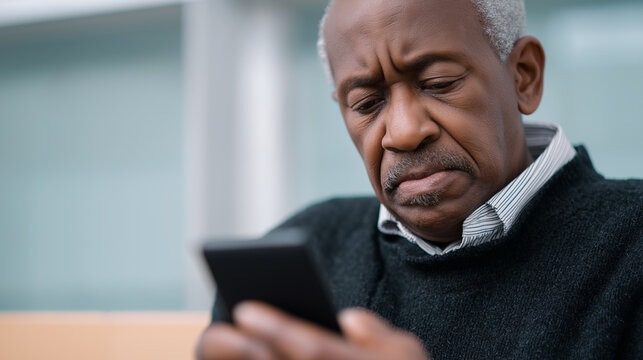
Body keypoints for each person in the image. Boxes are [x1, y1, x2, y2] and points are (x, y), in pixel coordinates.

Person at [196, 0, 642, 358]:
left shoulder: (631, 244)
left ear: (524, 76)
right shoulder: (308, 250)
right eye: (367, 103)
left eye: (439, 81)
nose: (405, 131)